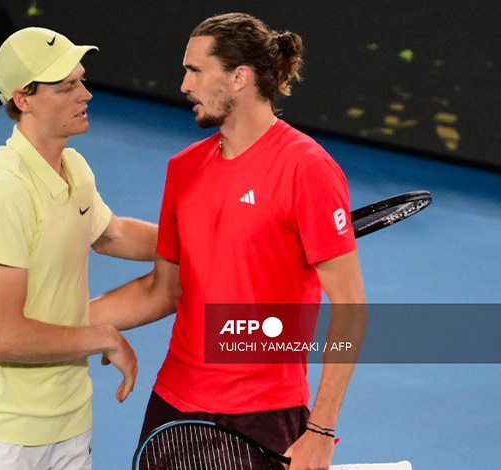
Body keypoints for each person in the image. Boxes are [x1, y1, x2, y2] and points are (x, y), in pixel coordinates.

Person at [90, 13, 367, 470]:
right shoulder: (183, 170)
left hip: (266, 415)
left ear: (240, 77)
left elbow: (351, 308)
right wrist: (68, 326)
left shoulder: (307, 169)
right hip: (173, 407)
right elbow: (162, 289)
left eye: (196, 71)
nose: (183, 84)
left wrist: (320, 430)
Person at [0, 27, 157, 470]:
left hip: (70, 423)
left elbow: (112, 234)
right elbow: (5, 337)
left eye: (81, 81)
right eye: (67, 87)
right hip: (0, 435)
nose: (86, 95)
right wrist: (104, 337)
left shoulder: (73, 167)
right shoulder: (2, 188)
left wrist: (211, 240)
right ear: (24, 99)